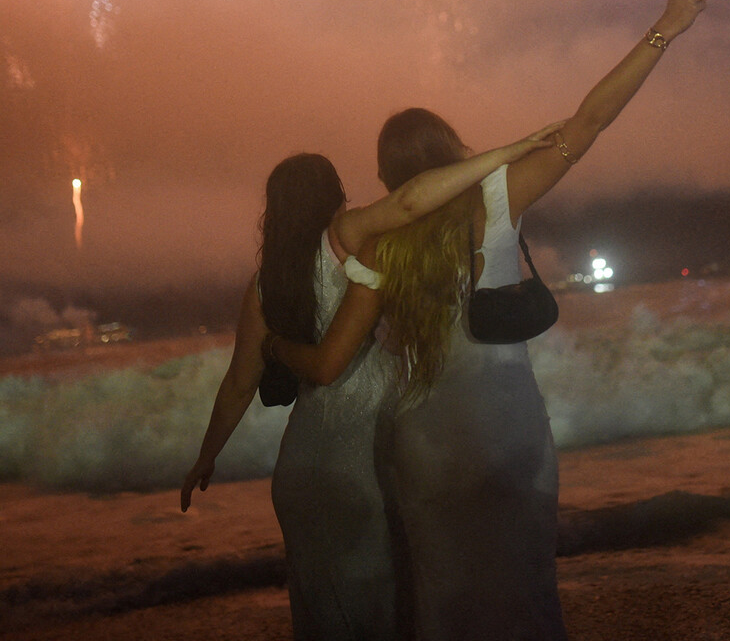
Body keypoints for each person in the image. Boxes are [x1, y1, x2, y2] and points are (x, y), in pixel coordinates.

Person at [269, 0, 707, 640]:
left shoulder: (384, 240)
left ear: (390, 174)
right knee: (524, 592)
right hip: (505, 428)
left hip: (423, 440)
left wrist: (275, 345)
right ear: (451, 147)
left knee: (442, 603)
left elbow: (343, 347)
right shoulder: (498, 197)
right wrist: (664, 29)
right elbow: (591, 119)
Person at [179, 125, 559, 641]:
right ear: (334, 196)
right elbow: (407, 203)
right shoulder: (347, 236)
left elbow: (238, 385)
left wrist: (206, 458)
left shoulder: (265, 285)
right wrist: (501, 158)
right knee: (393, 606)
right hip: (370, 458)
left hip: (303, 465)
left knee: (324, 614)